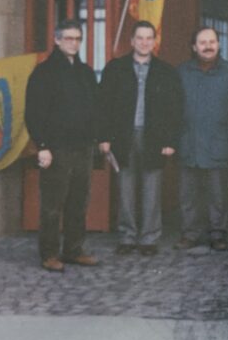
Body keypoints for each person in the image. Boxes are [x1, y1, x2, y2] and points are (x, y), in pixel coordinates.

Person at [98, 21, 183, 256]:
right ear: (132, 41)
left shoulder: (166, 72)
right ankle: (127, 236)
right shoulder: (115, 68)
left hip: (154, 137)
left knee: (152, 189)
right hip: (123, 136)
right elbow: (103, 105)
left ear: (154, 41)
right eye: (140, 38)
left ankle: (149, 238)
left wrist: (170, 141)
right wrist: (104, 137)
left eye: (149, 38)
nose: (144, 43)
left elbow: (175, 109)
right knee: (125, 188)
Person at [25, 19, 100, 273]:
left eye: (78, 38)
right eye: (68, 38)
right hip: (56, 149)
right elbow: (33, 113)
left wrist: (95, 138)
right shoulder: (43, 72)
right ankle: (49, 254)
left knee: (78, 203)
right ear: (57, 40)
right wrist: (42, 146)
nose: (74, 43)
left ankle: (73, 250)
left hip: (83, 148)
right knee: (52, 205)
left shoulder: (85, 72)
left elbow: (94, 108)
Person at [174, 27, 228, 253]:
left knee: (218, 194)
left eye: (212, 42)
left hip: (218, 142)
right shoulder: (182, 72)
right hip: (189, 142)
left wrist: (225, 128)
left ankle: (218, 233)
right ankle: (189, 234)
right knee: (188, 194)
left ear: (218, 45)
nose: (208, 46)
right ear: (194, 47)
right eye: (202, 42)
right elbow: (172, 108)